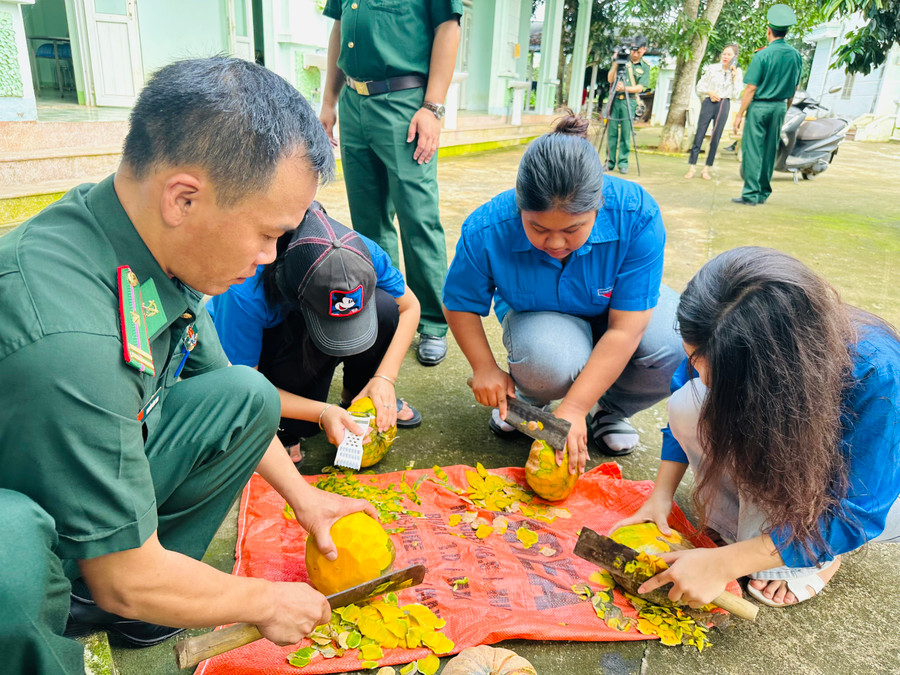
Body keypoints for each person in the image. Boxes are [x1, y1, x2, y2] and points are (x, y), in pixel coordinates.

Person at [0, 57, 377, 673]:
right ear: (184, 197)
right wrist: (262, 600)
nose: (269, 256)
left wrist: (305, 502)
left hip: (77, 466)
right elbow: (122, 574)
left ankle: (147, 607)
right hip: (21, 512)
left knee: (246, 394)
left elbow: (231, 385)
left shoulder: (145, 245)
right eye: (267, 233)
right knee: (9, 554)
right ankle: (67, 622)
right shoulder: (69, 336)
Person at [615, 247, 900, 608]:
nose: (699, 374)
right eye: (695, 361)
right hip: (789, 440)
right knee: (689, 403)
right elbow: (681, 400)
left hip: (875, 491)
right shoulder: (722, 330)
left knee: (771, 553)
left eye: (711, 372)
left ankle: (819, 557)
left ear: (774, 369)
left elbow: (859, 511)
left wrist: (725, 562)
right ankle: (757, 538)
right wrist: (661, 495)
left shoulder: (879, 374)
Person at [443, 114, 683, 472]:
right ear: (519, 206)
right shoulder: (487, 227)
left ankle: (609, 410)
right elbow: (459, 303)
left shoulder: (636, 213)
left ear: (598, 207)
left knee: (678, 343)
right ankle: (531, 398)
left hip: (616, 311)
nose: (554, 242)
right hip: (542, 319)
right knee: (545, 361)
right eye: (537, 228)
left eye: (573, 229)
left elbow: (625, 329)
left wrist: (575, 408)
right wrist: (485, 368)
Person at [209, 203, 422, 464]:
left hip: (303, 324)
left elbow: (410, 307)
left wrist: (384, 377)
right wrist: (321, 412)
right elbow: (243, 386)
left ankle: (359, 394)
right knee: (299, 417)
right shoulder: (244, 289)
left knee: (386, 306)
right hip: (261, 350)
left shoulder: (360, 251)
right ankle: (286, 428)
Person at [319, 0, 462, 367]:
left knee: (417, 216)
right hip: (353, 102)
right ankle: (389, 308)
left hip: (404, 102)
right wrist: (329, 102)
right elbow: (339, 30)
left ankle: (431, 320)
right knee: (367, 220)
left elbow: (447, 27)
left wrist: (433, 107)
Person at [732, 4, 802, 205]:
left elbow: (751, 88)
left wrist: (739, 115)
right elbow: (795, 87)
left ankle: (751, 194)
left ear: (768, 30)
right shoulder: (795, 56)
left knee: (753, 149)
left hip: (760, 107)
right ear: (786, 31)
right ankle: (763, 192)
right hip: (780, 106)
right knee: (771, 149)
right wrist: (785, 107)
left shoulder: (762, 55)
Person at [685, 45, 743, 180]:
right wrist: (709, 92)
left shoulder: (737, 72)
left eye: (729, 55)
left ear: (735, 57)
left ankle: (706, 169)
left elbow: (735, 95)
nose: (725, 57)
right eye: (724, 54)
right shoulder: (712, 69)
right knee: (699, 134)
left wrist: (734, 78)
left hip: (724, 104)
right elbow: (700, 86)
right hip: (709, 102)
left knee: (715, 137)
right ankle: (692, 167)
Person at [605, 35, 650, 175]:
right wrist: (615, 62)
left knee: (625, 133)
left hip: (629, 101)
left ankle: (623, 163)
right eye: (633, 50)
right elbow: (610, 79)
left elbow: (640, 88)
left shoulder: (645, 66)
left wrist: (625, 87)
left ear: (644, 50)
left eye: (638, 51)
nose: (635, 54)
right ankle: (609, 162)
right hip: (615, 99)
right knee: (611, 133)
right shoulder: (622, 60)